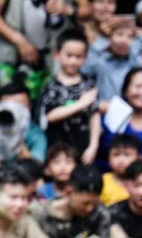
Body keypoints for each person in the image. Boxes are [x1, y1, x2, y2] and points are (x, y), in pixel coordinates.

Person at [40, 30, 100, 165]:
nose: (73, 61)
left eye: (78, 56)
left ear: (85, 58)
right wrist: (81, 103)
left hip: (83, 145)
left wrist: (93, 146)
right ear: (57, 55)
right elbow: (50, 116)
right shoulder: (52, 85)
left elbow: (94, 115)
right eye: (69, 55)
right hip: (59, 147)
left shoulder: (88, 84)